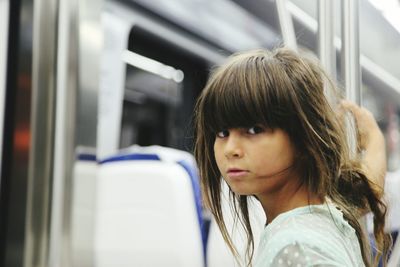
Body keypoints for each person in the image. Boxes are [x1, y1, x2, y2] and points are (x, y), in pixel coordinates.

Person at [193, 48, 391, 266]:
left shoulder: (297, 249)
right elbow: (366, 187)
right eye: (222, 133)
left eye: (254, 130)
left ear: (302, 139)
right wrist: (375, 141)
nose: (230, 149)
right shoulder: (326, 212)